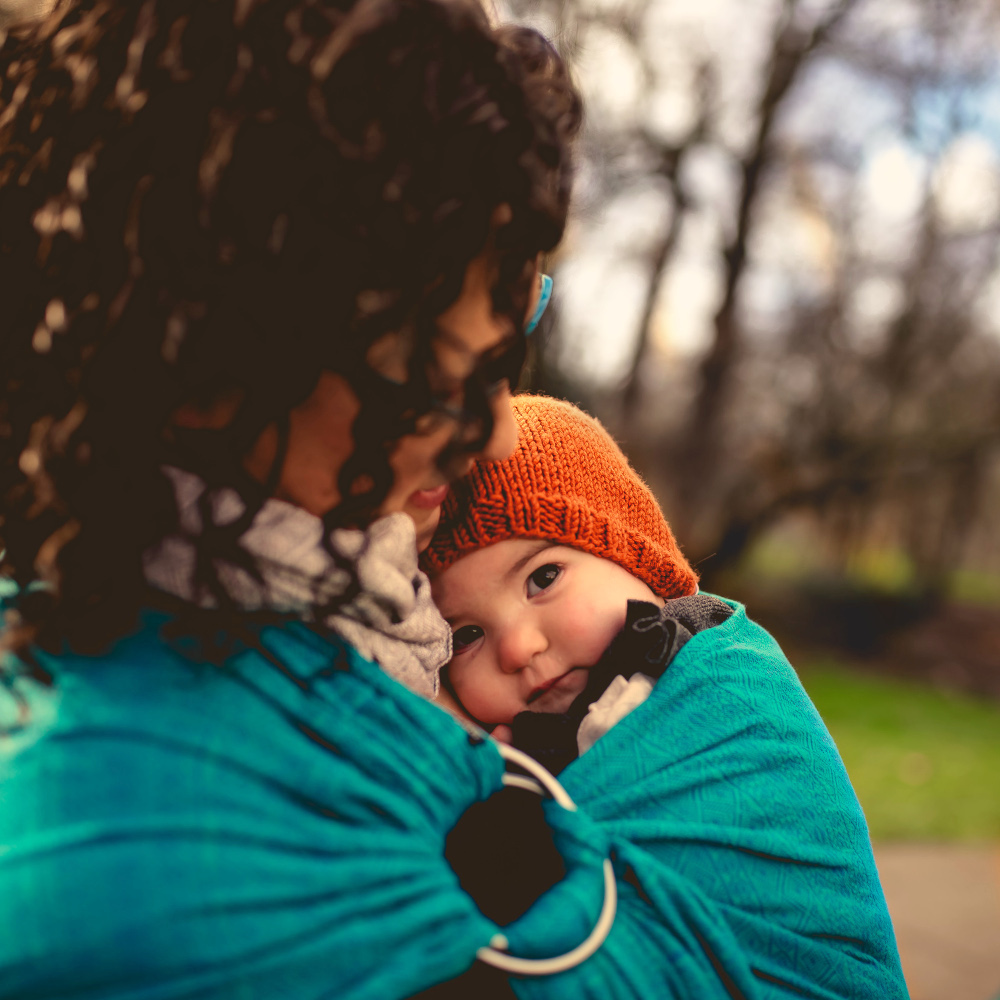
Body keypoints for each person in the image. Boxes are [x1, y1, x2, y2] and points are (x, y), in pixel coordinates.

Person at [0, 1, 586, 997]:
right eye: (436, 377)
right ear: (225, 355)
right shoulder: (175, 855)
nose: (496, 431)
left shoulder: (113, 590)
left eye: (503, 355)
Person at [423, 394, 910, 998]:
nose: (518, 647)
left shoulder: (727, 688)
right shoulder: (510, 749)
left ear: (638, 558)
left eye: (543, 578)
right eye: (466, 635)